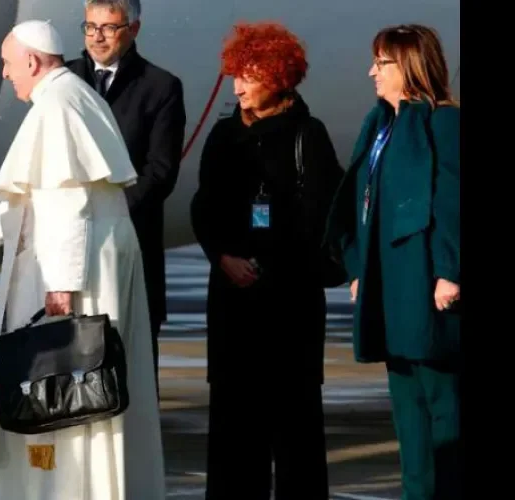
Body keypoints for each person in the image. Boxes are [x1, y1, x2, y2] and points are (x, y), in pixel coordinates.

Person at [0, 19, 166, 500]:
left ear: (31, 61)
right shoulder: (71, 96)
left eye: (8, 65)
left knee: (72, 389)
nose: (5, 76)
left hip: (78, 271)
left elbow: (67, 202)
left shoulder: (58, 104)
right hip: (90, 258)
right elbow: (37, 198)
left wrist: (62, 286)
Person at [190, 21, 344, 500]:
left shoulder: (307, 136)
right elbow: (203, 207)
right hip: (234, 307)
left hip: (289, 309)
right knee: (233, 438)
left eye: (249, 75)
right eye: (236, 74)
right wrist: (222, 257)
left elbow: (321, 218)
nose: (238, 85)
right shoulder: (222, 136)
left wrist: (271, 264)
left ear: (278, 77)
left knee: (296, 435)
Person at [324, 24, 461, 500]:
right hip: (389, 281)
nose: (372, 73)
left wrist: (449, 271)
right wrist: (358, 265)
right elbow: (361, 200)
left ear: (409, 65)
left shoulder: (441, 122)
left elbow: (450, 202)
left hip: (426, 282)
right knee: (406, 404)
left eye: (381, 63)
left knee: (442, 402)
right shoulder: (379, 123)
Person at [66, 0, 186, 394]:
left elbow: (160, 172)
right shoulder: (65, 79)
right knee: (72, 362)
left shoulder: (161, 87)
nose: (97, 37)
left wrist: (109, 211)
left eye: (108, 28)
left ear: (133, 30)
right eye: (90, 27)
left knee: (131, 365)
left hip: (130, 241)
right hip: (73, 244)